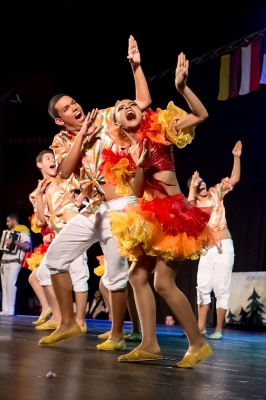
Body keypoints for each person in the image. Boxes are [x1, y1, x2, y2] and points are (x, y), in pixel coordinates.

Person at [99, 53, 213, 367]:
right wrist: (136, 168)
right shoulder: (121, 157)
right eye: (120, 109)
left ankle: (198, 343)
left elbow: (200, 115)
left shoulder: (160, 130)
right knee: (137, 276)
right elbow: (135, 193)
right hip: (151, 218)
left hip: (174, 215)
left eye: (130, 104)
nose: (127, 108)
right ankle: (149, 343)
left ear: (140, 110)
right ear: (118, 126)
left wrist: (182, 87)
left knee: (162, 282)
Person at [39, 35, 151, 348]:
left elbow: (141, 103)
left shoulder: (104, 116)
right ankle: (67, 323)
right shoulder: (62, 141)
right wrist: (82, 136)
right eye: (67, 109)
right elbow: (64, 170)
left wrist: (136, 67)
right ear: (60, 120)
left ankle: (117, 334)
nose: (75, 108)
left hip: (121, 206)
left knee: (115, 276)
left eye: (74, 102)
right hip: (94, 209)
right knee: (54, 260)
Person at [29, 149, 89, 334]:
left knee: (79, 274)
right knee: (43, 273)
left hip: (74, 226)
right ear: (40, 165)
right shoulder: (34, 194)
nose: (52, 160)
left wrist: (80, 199)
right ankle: (57, 317)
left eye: (53, 158)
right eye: (48, 158)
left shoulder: (65, 178)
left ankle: (80, 321)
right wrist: (39, 196)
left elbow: (86, 186)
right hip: (60, 234)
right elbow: (41, 220)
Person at [187, 141, 242, 339]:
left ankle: (218, 329)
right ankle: (200, 327)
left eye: (201, 180)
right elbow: (187, 212)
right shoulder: (193, 204)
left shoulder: (216, 192)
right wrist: (192, 189)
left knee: (221, 288)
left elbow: (234, 178)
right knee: (202, 287)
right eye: (196, 182)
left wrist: (236, 156)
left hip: (224, 245)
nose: (200, 183)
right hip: (207, 249)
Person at [0, 213, 31, 316]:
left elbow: (27, 246)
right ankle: (5, 309)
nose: (7, 223)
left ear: (13, 221)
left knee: (10, 284)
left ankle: (11, 309)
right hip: (4, 261)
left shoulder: (23, 230)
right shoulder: (8, 233)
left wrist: (14, 241)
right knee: (4, 286)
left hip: (14, 261)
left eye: (8, 221)